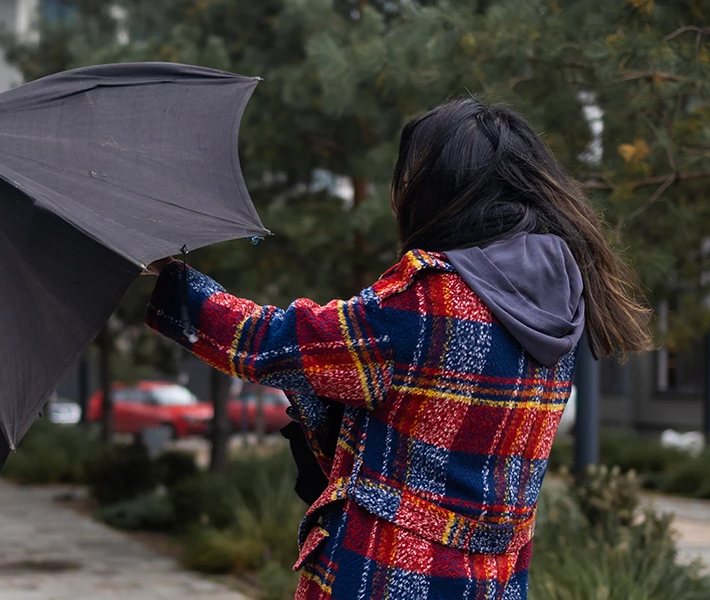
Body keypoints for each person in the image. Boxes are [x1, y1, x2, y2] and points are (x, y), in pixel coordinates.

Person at [144, 99, 651, 600]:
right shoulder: (560, 299)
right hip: (492, 585)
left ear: (443, 188)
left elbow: (270, 342)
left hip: (385, 576)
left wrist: (172, 280)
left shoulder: (432, 296)